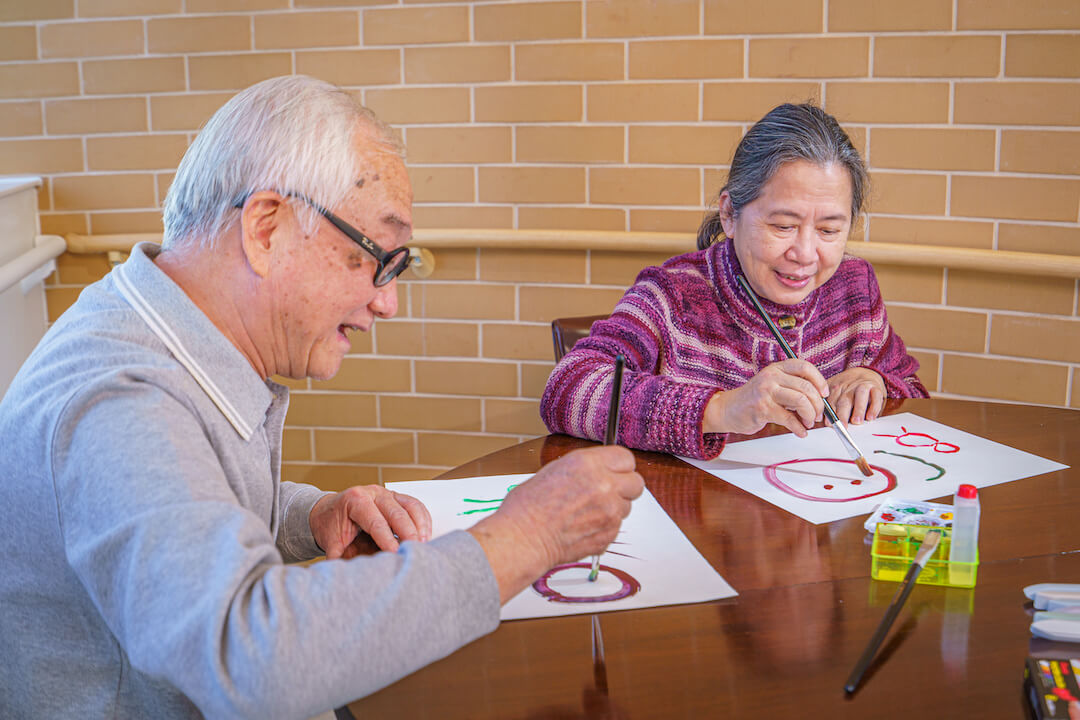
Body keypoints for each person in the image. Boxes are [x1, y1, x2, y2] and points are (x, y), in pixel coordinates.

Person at [0, 75, 643, 719]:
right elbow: (253, 661)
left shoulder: (158, 327)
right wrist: (527, 536)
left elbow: (185, 502)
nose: (386, 302)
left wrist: (310, 516)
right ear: (267, 228)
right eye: (375, 259)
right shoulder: (123, 401)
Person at [541, 103, 927, 460]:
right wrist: (722, 407)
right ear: (729, 213)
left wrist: (876, 381)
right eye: (783, 226)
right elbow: (566, 390)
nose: (806, 254)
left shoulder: (854, 287)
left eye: (828, 230)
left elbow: (912, 390)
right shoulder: (674, 295)